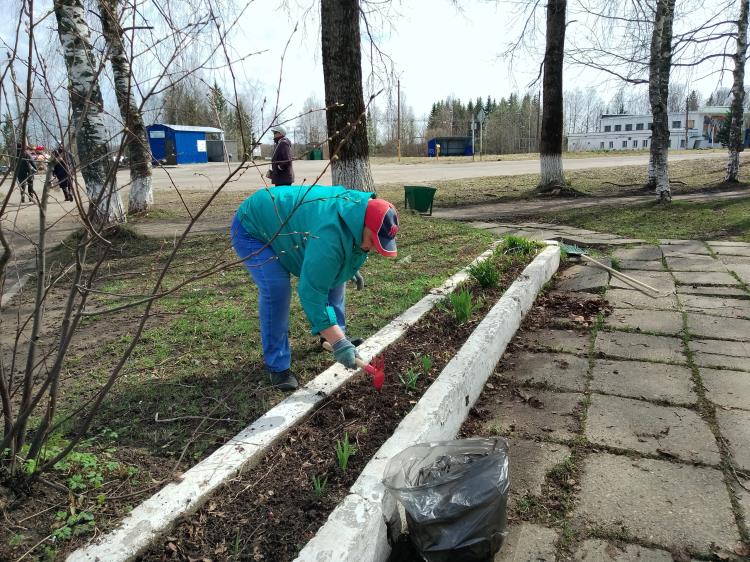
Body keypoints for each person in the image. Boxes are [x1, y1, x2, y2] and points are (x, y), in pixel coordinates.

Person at [231, 185, 399, 391]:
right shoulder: (329, 235)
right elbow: (311, 292)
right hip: (254, 226)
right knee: (277, 289)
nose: (372, 248)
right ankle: (278, 364)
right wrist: (338, 343)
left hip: (290, 223)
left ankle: (333, 336)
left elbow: (344, 251)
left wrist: (348, 268)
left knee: (334, 276)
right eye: (373, 241)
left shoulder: (359, 211)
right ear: (363, 225)